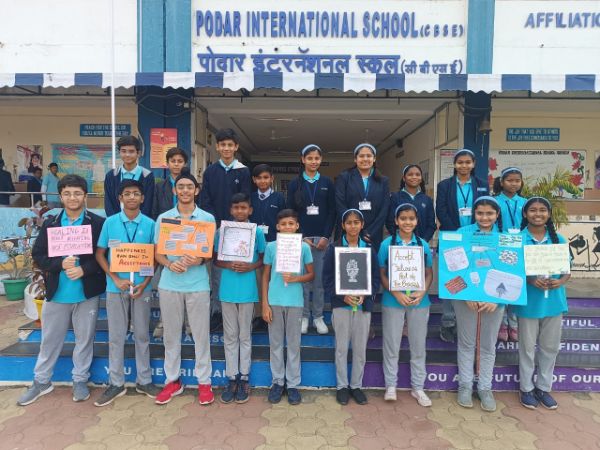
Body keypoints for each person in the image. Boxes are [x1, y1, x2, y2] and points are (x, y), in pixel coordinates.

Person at [17, 175, 106, 406]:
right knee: (50, 339)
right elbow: (38, 255)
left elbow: (105, 256)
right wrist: (59, 264)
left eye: (77, 193)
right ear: (61, 196)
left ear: (85, 196)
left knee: (84, 339)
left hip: (86, 294)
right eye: (67, 193)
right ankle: (41, 381)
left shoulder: (97, 223)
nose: (72, 197)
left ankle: (80, 380)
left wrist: (84, 270)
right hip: (57, 294)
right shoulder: (51, 224)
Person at [93, 180, 160, 407]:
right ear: (120, 198)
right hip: (115, 288)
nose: (132, 197)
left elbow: (155, 257)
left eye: (136, 193)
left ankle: (144, 380)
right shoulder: (110, 222)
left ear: (142, 198)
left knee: (142, 335)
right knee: (116, 336)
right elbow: (100, 254)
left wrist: (146, 282)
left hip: (142, 288)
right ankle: (116, 382)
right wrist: (115, 278)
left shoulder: (150, 224)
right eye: (127, 194)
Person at [154, 173, 216, 405]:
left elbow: (209, 253)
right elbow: (158, 252)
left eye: (190, 186)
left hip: (198, 284)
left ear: (196, 190)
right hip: (170, 283)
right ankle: (172, 381)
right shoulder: (164, 218)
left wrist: (199, 260)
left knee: (201, 335)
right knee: (171, 335)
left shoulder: (207, 218)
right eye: (181, 187)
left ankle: (204, 382)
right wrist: (169, 264)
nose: (185, 190)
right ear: (174, 190)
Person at [515, 197, 570, 410]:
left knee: (550, 347)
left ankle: (543, 388)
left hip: (554, 302)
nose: (537, 214)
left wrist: (560, 281)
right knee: (527, 348)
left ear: (548, 214)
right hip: (528, 302)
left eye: (542, 210)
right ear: (525, 214)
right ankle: (526, 388)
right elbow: (510, 269)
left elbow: (567, 271)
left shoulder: (559, 239)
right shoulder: (518, 240)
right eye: (533, 210)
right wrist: (530, 280)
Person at [322, 209, 380, 406]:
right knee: (341, 348)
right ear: (343, 225)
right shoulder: (334, 248)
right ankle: (342, 386)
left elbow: (375, 278)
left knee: (360, 349)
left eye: (356, 222)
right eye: (349, 222)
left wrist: (366, 294)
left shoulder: (369, 248)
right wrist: (342, 295)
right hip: (342, 306)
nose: (353, 226)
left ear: (362, 225)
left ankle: (356, 386)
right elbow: (327, 279)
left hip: (362, 306)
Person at [379, 203, 433, 407]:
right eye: (403, 218)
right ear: (396, 221)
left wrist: (422, 291)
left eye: (411, 218)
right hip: (393, 300)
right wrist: (396, 292)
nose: (407, 222)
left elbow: (429, 273)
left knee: (418, 345)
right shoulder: (386, 244)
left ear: (417, 221)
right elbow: (381, 273)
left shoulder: (423, 245)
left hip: (419, 301)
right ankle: (390, 385)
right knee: (391, 344)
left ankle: (418, 387)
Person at [214, 193, 266, 404]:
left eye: (243, 207)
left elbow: (262, 258)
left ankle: (244, 377)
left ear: (250, 210)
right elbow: (215, 259)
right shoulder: (222, 231)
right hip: (227, 289)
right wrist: (228, 265)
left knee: (245, 334)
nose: (239, 211)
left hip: (248, 289)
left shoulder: (257, 232)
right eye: (236, 208)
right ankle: (231, 377)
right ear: (231, 210)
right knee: (230, 335)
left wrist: (250, 266)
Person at [454, 196, 504, 412]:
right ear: (474, 214)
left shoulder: (504, 239)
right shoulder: (461, 234)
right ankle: (465, 386)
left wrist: (497, 299)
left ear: (497, 215)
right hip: (465, 299)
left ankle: (485, 388)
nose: (484, 217)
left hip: (495, 301)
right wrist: (466, 294)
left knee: (488, 345)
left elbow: (511, 271)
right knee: (466, 343)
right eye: (480, 213)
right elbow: (452, 267)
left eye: (489, 213)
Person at [200, 128, 252, 331]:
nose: (226, 148)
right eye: (223, 145)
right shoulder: (210, 171)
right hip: (215, 229)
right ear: (217, 147)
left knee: (236, 270)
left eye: (230, 145)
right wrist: (216, 225)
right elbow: (205, 200)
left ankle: (236, 312)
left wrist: (232, 224)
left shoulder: (243, 171)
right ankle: (217, 312)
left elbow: (244, 199)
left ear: (236, 147)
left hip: (237, 229)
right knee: (217, 271)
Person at [435, 149, 489, 343]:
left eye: (467, 162)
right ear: (455, 164)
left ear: (473, 164)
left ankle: (468, 321)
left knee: (474, 277)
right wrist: (458, 236)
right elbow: (441, 210)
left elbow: (486, 209)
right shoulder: (444, 185)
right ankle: (448, 321)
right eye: (460, 162)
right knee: (451, 279)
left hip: (477, 238)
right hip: (452, 239)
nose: (464, 165)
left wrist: (471, 234)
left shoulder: (482, 185)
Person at [262, 209, 314, 405]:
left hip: (295, 301)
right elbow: (265, 276)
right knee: (275, 343)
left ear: (297, 226)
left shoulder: (304, 247)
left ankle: (292, 384)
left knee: (293, 344)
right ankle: (278, 382)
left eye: (291, 224)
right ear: (277, 227)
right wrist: (265, 304)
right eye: (283, 224)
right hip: (274, 301)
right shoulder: (271, 247)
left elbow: (311, 274)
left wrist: (295, 278)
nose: (287, 227)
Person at [286, 145, 336, 335]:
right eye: (310, 158)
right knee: (303, 280)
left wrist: (326, 236)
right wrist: (300, 236)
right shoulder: (295, 183)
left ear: (320, 160)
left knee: (319, 281)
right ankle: (304, 316)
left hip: (322, 239)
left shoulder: (327, 182)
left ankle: (318, 317)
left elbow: (332, 211)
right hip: (302, 239)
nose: (313, 161)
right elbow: (290, 212)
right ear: (303, 160)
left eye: (316, 158)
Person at [493, 167, 527, 342]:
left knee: (515, 286)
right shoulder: (493, 201)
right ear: (501, 182)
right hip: (499, 249)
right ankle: (502, 323)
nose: (513, 184)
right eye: (509, 180)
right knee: (500, 285)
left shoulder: (526, 202)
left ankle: (513, 324)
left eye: (517, 181)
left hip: (519, 251)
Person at [335, 143, 389, 249]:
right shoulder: (344, 177)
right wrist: (353, 228)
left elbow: (384, 209)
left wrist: (370, 232)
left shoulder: (383, 181)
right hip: (348, 232)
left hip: (373, 235)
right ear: (355, 159)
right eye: (361, 156)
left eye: (369, 156)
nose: (365, 159)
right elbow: (340, 204)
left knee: (371, 259)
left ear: (374, 159)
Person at [104, 136, 154, 217]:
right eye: (123, 151)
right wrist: (116, 221)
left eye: (131, 151)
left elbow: (148, 204)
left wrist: (139, 221)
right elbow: (108, 203)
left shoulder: (147, 176)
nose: (127, 155)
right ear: (119, 152)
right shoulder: (111, 176)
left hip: (140, 222)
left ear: (138, 153)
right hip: (116, 222)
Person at [386, 164, 436, 242]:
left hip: (421, 243)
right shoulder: (395, 197)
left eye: (417, 175)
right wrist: (399, 240)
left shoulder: (427, 199)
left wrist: (423, 241)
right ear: (404, 178)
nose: (414, 177)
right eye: (410, 174)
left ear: (421, 178)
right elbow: (390, 222)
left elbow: (431, 224)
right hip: (400, 243)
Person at [250, 164, 285, 243]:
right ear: (254, 179)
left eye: (266, 177)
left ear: (272, 178)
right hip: (254, 241)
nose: (262, 181)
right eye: (259, 178)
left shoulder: (279, 197)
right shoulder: (250, 197)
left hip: (274, 240)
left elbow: (283, 219)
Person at [152, 147, 189, 219]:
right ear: (167, 164)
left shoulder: (192, 186)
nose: (176, 164)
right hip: (165, 224)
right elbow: (154, 211)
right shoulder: (159, 187)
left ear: (185, 164)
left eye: (180, 161)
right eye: (173, 161)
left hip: (187, 224)